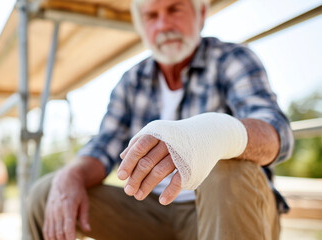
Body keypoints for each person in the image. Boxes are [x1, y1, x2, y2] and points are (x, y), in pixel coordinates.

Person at [27, 0, 294, 239]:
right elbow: (103, 147)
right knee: (48, 191)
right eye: (151, 16)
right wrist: (71, 174)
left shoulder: (231, 59)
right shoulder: (132, 81)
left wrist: (214, 135)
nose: (164, 24)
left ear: (201, 13)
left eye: (174, 9)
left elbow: (276, 133)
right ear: (141, 27)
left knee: (226, 166)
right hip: (151, 211)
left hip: (224, 211)